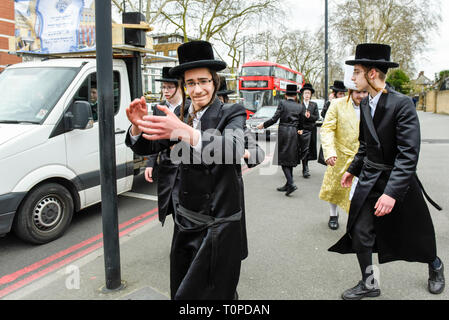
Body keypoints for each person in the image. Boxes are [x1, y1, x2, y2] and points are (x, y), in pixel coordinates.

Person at [126, 40, 259, 300]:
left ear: (214, 82)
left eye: (203, 81)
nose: (197, 89)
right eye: (190, 83)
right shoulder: (180, 114)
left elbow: (232, 149)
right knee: (183, 290)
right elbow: (147, 146)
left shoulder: (231, 113)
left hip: (219, 227)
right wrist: (138, 127)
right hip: (185, 223)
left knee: (217, 292)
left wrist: (184, 132)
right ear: (184, 86)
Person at [329, 43, 444, 300]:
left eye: (357, 71)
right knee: (359, 230)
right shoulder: (365, 102)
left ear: (371, 74)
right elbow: (364, 145)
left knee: (415, 233)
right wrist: (353, 170)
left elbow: (408, 154)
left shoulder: (402, 104)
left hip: (398, 182)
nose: (353, 77)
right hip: (370, 179)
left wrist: (392, 192)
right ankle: (370, 284)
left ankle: (435, 265)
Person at [319, 69, 368, 231]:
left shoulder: (372, 105)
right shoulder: (337, 105)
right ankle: (333, 214)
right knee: (335, 189)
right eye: (358, 92)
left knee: (359, 192)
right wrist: (329, 151)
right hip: (340, 155)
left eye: (364, 92)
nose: (361, 96)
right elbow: (327, 129)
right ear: (350, 91)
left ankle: (355, 222)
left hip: (363, 157)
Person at [143, 67, 184, 226]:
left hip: (185, 165)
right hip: (167, 165)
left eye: (170, 87)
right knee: (172, 205)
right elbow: (154, 137)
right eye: (163, 87)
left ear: (179, 86)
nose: (166, 91)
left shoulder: (189, 107)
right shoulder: (158, 108)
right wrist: (150, 163)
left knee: (185, 207)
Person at [256, 84, 304, 196]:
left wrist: (263, 125)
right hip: (294, 133)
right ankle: (288, 184)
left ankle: (291, 184)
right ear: (296, 95)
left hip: (284, 132)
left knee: (283, 159)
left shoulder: (282, 103)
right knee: (290, 159)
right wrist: (300, 130)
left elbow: (274, 118)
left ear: (286, 95)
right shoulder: (300, 106)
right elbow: (301, 123)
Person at [299, 83, 319, 178]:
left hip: (311, 130)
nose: (307, 95)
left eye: (309, 93)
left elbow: (317, 117)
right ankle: (305, 168)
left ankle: (306, 167)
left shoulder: (314, 105)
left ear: (310, 95)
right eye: (305, 93)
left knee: (309, 149)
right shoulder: (299, 105)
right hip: (302, 130)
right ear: (303, 94)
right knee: (304, 149)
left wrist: (310, 116)